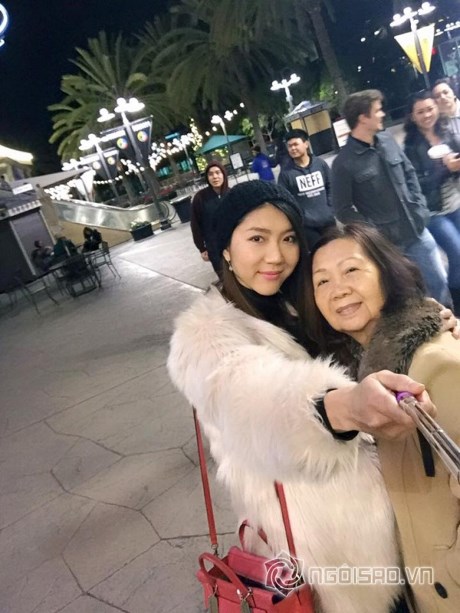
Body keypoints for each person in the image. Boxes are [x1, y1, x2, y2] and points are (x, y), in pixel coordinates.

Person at [168, 180, 437, 613]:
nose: (277, 255)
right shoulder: (203, 337)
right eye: (258, 238)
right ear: (225, 250)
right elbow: (256, 399)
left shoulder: (293, 300)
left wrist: (425, 326)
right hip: (325, 557)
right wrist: (341, 407)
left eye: (288, 238)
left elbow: (363, 327)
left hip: (388, 523)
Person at [307, 223, 460, 613]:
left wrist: (451, 569)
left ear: (387, 273)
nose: (338, 289)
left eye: (351, 270)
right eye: (322, 281)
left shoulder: (433, 365)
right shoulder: (363, 369)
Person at [331, 89, 451, 306]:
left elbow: (409, 172)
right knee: (409, 298)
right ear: (363, 117)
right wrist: (373, 232)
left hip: (417, 230)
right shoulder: (343, 163)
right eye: (377, 110)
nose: (383, 114)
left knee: (439, 284)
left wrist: (419, 205)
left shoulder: (387, 140)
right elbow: (342, 209)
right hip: (389, 246)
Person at [403, 90, 460, 314]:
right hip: (434, 211)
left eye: (430, 109)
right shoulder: (411, 146)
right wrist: (445, 169)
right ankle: (456, 305)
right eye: (421, 112)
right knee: (457, 253)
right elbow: (416, 184)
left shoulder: (446, 130)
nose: (427, 115)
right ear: (412, 116)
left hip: (457, 201)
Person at [278, 128, 335, 248]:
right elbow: (284, 200)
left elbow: (331, 186)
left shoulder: (320, 164)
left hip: (328, 221)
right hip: (307, 226)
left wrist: (330, 208)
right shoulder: (286, 173)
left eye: (295, 144)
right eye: (289, 146)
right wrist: (299, 217)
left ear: (306, 144)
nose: (293, 148)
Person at [190, 161, 229, 274]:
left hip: (234, 244)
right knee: (224, 276)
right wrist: (201, 248)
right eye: (211, 174)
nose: (215, 177)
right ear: (207, 178)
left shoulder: (232, 194)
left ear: (223, 174)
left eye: (218, 172)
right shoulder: (200, 198)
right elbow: (195, 225)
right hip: (214, 247)